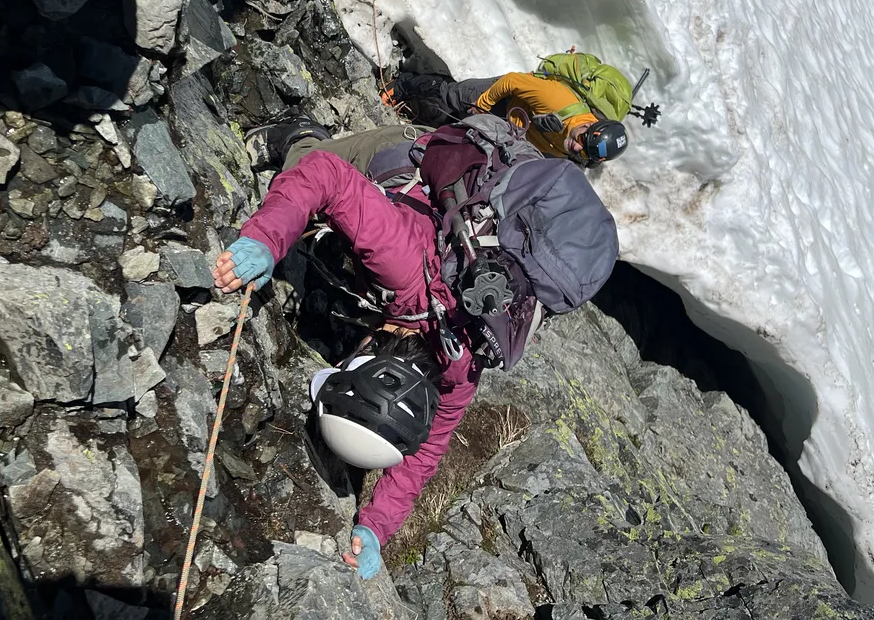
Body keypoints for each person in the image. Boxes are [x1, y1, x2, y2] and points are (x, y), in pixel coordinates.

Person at [212, 122, 484, 580]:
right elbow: (326, 175)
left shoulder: (460, 370)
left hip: (437, 225)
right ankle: (298, 130)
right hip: (402, 160)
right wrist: (267, 239)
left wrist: (376, 526)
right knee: (301, 167)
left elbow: (422, 457)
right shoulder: (403, 269)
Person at [383, 70, 629, 166]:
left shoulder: (586, 153)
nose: (577, 146)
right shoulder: (557, 101)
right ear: (590, 124)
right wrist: (484, 103)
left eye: (583, 150)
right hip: (505, 101)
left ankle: (425, 119)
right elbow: (512, 81)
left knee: (464, 132)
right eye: (582, 138)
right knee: (454, 96)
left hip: (513, 131)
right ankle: (401, 85)